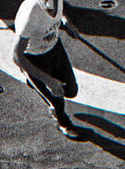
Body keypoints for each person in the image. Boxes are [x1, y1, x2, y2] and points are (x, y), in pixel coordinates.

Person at [12, 0, 81, 139]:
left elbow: (60, 8)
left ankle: (34, 81)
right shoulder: (31, 12)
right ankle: (62, 122)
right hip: (35, 57)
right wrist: (48, 80)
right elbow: (16, 56)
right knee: (57, 100)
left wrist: (66, 21)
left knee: (71, 90)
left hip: (55, 48)